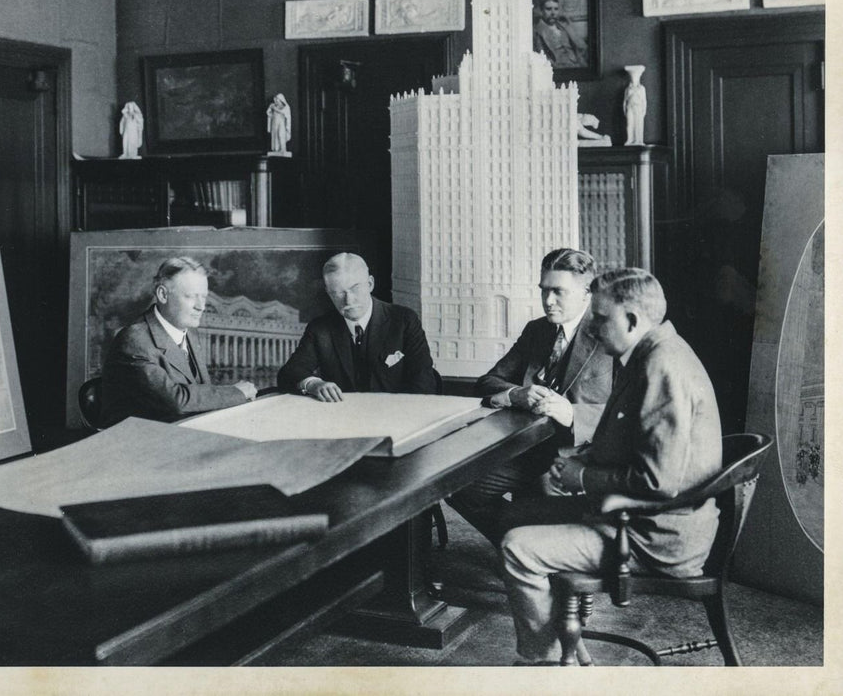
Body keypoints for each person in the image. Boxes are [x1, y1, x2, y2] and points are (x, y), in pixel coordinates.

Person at [499, 268, 723, 664]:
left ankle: (543, 663)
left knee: (518, 548)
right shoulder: (650, 353)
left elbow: (660, 480)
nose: (593, 328)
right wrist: (579, 462)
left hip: (655, 538)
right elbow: (634, 445)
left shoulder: (661, 366)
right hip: (640, 520)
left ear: (632, 321)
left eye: (601, 319)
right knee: (515, 513)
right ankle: (563, 641)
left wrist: (582, 476)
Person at [448, 249, 612, 544]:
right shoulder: (537, 330)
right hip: (528, 449)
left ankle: (532, 552)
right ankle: (519, 547)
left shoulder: (609, 334)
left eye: (558, 292)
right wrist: (516, 394)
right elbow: (487, 382)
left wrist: (572, 413)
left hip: (583, 455)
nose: (548, 301)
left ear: (587, 293)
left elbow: (629, 413)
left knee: (546, 499)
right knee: (458, 486)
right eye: (544, 290)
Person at [99, 257, 257, 427]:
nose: (201, 306)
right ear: (163, 295)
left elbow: (201, 390)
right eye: (190, 297)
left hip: (179, 432)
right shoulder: (134, 340)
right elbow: (176, 401)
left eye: (204, 297)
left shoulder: (189, 332)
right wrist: (236, 392)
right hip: (138, 441)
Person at [277, 252, 437, 400]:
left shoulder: (403, 320)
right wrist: (312, 384)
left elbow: (424, 384)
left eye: (355, 289)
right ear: (328, 292)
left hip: (396, 417)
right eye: (338, 293)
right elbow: (289, 373)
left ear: (370, 284)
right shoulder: (320, 328)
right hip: (345, 420)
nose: (348, 300)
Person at [532, 0, 587, 69]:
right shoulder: (536, 31)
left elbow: (579, 46)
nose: (553, 13)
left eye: (556, 9)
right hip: (557, 68)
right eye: (549, 9)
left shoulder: (564, 26)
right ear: (542, 11)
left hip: (576, 65)